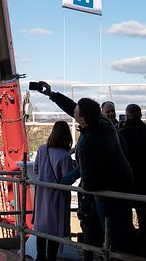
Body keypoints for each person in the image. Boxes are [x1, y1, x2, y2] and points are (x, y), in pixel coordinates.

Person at [38, 82, 135, 255]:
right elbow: (73, 108)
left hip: (106, 191)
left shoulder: (86, 144)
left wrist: (69, 181)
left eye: (76, 114)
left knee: (110, 233)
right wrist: (52, 95)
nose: (73, 114)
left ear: (82, 120)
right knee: (120, 230)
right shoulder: (102, 122)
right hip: (123, 183)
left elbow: (89, 182)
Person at [33, 121, 74, 261]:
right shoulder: (65, 156)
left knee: (41, 230)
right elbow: (68, 178)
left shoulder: (42, 149)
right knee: (54, 231)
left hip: (41, 195)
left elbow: (36, 170)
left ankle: (40, 257)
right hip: (57, 198)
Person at [118, 103, 146, 256]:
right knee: (142, 214)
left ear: (127, 116)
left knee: (125, 215)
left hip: (127, 178)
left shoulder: (123, 133)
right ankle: (144, 246)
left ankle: (130, 245)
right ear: (141, 115)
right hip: (143, 177)